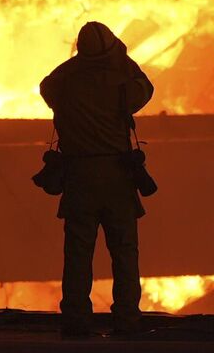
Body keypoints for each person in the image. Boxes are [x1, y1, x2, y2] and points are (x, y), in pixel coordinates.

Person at [39, 21, 154, 338]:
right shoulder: (122, 85)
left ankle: (76, 319)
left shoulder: (64, 85)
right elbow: (146, 86)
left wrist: (79, 61)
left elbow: (47, 85)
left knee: (77, 253)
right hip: (117, 178)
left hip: (79, 178)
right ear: (110, 51)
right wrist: (120, 57)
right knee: (125, 252)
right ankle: (127, 320)